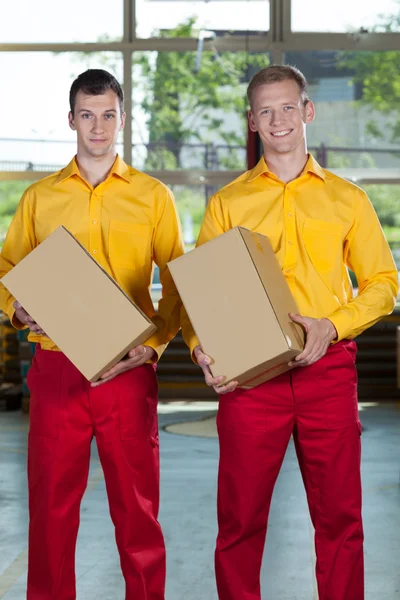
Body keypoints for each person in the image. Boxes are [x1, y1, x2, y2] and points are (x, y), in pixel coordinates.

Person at [181, 65, 399, 600]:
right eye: (265, 110)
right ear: (252, 122)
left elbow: (385, 283)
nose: (277, 119)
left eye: (287, 107)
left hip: (328, 372)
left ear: (307, 111)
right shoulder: (228, 202)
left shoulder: (348, 198)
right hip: (253, 378)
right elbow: (201, 294)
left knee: (341, 520)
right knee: (239, 522)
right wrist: (200, 349)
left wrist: (333, 324)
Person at [0, 69, 184, 600]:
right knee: (52, 515)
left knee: (138, 515)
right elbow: (7, 268)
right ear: (71, 120)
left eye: (108, 115)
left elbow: (177, 288)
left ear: (122, 119)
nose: (98, 126)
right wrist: (18, 311)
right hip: (57, 370)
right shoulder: (40, 198)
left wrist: (153, 345)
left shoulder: (154, 197)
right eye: (87, 114)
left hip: (128, 370)